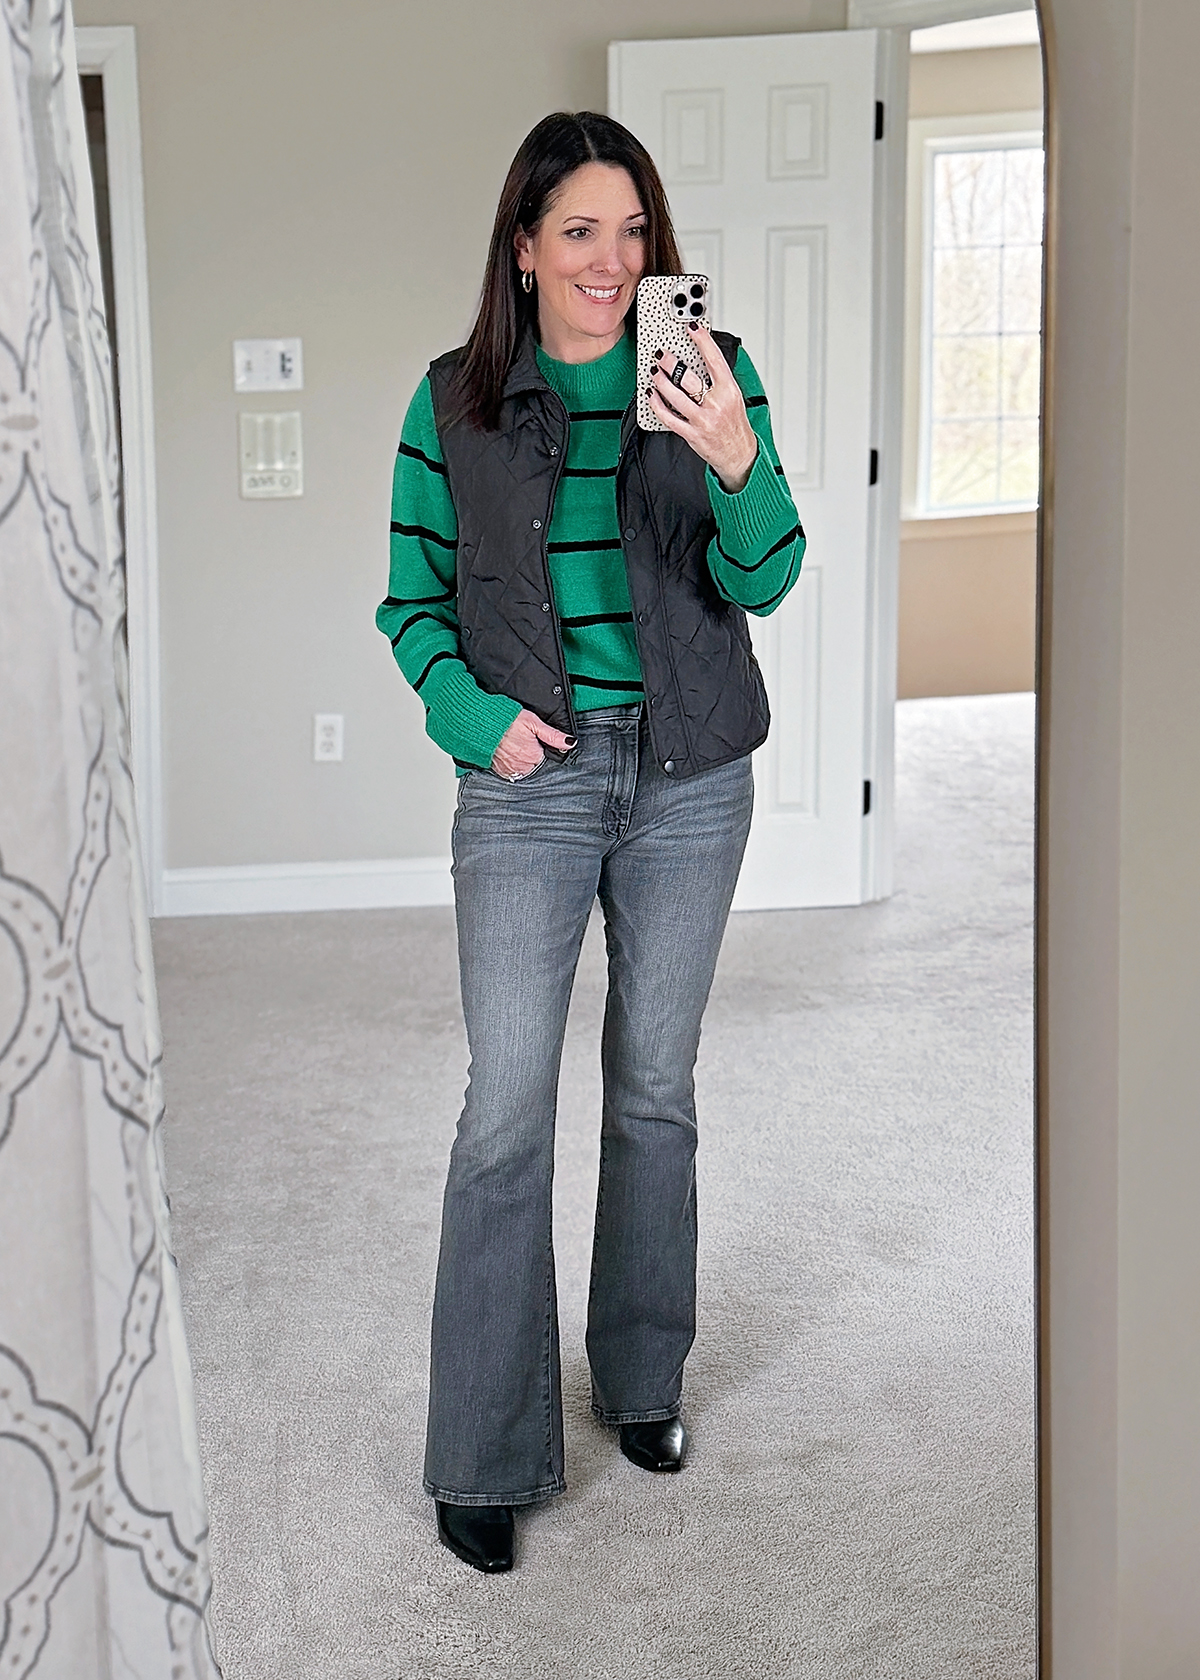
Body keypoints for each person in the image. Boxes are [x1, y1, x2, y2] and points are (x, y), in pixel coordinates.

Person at [376, 110, 804, 1575]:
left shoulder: (712, 372)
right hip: (531, 777)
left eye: (633, 231)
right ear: (524, 248)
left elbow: (768, 575)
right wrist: (472, 719)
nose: (611, 260)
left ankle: (641, 1378)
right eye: (579, 231)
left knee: (655, 1087)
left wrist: (736, 456)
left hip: (691, 777)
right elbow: (411, 604)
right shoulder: (453, 403)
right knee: (506, 1106)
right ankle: (486, 1448)